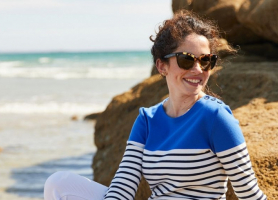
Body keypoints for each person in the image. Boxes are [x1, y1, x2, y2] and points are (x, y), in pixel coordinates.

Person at [43, 10, 267, 200]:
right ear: (162, 66)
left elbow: (249, 193)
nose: (198, 70)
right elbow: (124, 186)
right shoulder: (147, 120)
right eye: (186, 59)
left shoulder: (216, 117)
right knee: (58, 183)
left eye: (206, 60)